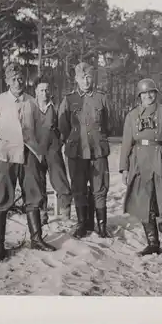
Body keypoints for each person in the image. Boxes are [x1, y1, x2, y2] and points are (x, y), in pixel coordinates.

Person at [0, 62, 57, 262]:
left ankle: (36, 238)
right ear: (7, 81)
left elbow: (41, 129)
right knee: (1, 198)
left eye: (20, 78)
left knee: (33, 195)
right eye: (13, 79)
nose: (17, 82)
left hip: (29, 154)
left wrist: (39, 150)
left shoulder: (31, 102)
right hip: (4, 156)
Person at [119, 78, 162, 266]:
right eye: (144, 93)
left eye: (151, 92)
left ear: (156, 94)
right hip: (138, 162)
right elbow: (125, 143)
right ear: (139, 96)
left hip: (160, 160)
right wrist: (124, 168)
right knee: (143, 203)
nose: (148, 96)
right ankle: (153, 243)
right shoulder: (132, 116)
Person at [57, 62, 110, 239]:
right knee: (78, 188)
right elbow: (62, 125)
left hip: (97, 150)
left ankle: (101, 225)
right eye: (82, 77)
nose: (86, 81)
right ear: (76, 79)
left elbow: (108, 124)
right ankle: (81, 225)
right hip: (76, 152)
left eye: (88, 77)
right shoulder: (69, 99)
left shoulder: (101, 98)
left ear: (92, 77)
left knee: (99, 188)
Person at [34, 78, 73, 224]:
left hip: (53, 149)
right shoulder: (31, 107)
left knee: (60, 180)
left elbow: (64, 128)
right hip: (36, 150)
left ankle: (65, 213)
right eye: (41, 90)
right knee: (38, 181)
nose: (45, 93)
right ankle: (42, 214)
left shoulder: (56, 107)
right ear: (36, 92)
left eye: (47, 90)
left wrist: (58, 143)